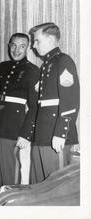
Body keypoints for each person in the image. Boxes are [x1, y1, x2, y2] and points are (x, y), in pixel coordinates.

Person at [29, 22, 80, 183]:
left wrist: (61, 132)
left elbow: (70, 99)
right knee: (41, 185)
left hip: (55, 136)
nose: (34, 45)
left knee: (55, 188)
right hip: (43, 134)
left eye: (37, 41)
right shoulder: (47, 65)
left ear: (50, 40)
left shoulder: (63, 61)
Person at [0, 33, 40, 186]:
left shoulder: (32, 70)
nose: (17, 50)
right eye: (14, 45)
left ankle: (11, 204)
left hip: (13, 128)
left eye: (22, 46)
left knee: (11, 172)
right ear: (9, 46)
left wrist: (26, 133)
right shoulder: (3, 66)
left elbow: (35, 107)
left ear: (28, 48)